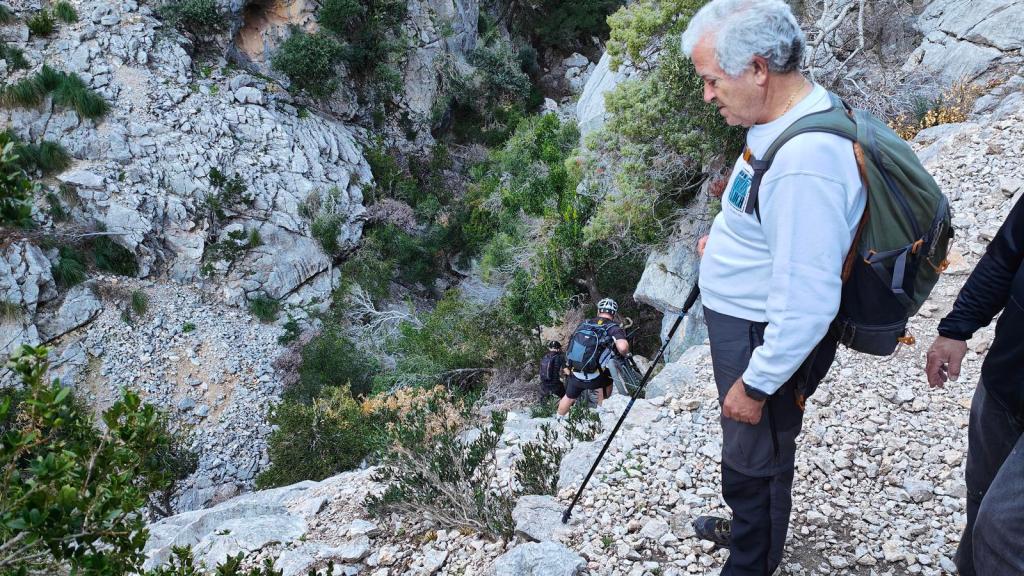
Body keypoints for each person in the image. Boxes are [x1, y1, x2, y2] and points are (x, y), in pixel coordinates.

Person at [681, 1, 866, 573]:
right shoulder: (779, 121)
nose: (707, 96)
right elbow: (768, 215)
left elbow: (808, 304)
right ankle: (748, 531)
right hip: (746, 321)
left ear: (758, 69)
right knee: (749, 450)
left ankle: (751, 559)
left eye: (712, 81)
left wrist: (757, 385)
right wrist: (728, 238)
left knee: (754, 456)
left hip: (760, 336)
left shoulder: (805, 161)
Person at [924, 195, 1023, 576]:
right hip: (1006, 378)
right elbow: (1005, 256)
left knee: (1004, 530)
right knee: (980, 494)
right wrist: (956, 328)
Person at [557, 298, 629, 416]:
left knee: (569, 397)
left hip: (576, 373)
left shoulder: (584, 324)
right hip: (596, 377)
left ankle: (558, 419)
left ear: (598, 311)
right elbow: (623, 348)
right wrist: (625, 353)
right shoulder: (613, 327)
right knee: (607, 379)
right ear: (614, 314)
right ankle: (601, 411)